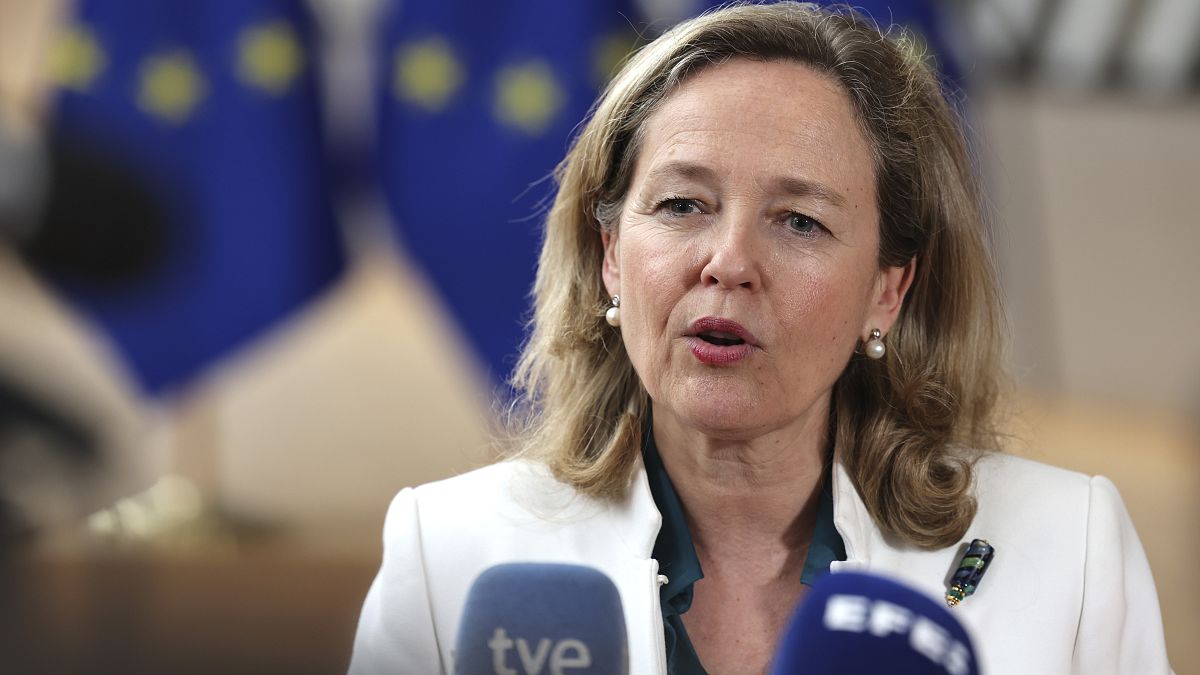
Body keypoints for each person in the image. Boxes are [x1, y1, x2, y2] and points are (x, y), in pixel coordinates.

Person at [349, 3, 1173, 673]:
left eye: (799, 220)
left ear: (887, 290)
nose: (730, 261)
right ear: (610, 257)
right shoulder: (448, 552)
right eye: (682, 205)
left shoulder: (1069, 547)